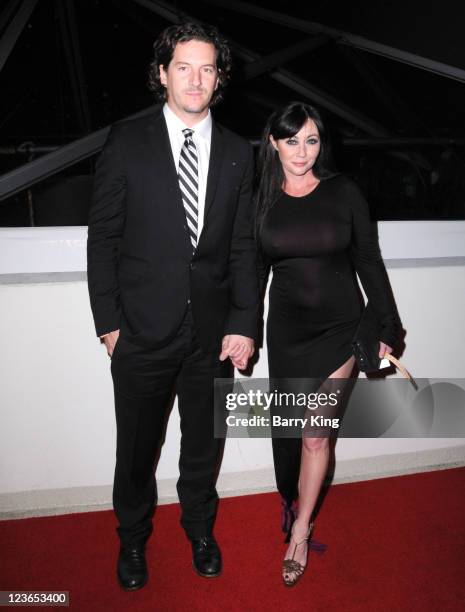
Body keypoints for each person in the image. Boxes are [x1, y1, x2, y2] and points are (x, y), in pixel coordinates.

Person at [87, 22, 258, 591]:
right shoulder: (126, 141)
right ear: (162, 74)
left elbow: (241, 247)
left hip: (211, 335)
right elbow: (103, 239)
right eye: (183, 66)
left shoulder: (238, 153)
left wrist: (243, 323)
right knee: (136, 451)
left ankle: (200, 529)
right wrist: (109, 325)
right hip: (139, 332)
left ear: (219, 78)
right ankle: (132, 539)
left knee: (203, 446)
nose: (195, 78)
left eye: (207, 68)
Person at [255, 101, 400, 586]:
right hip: (287, 334)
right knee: (292, 432)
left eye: (311, 140)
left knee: (316, 434)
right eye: (292, 140)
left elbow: (370, 260)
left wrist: (387, 327)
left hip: (341, 329)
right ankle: (293, 500)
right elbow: (249, 270)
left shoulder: (344, 191)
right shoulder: (259, 198)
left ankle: (299, 530)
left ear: (322, 144)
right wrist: (240, 328)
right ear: (273, 142)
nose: (302, 151)